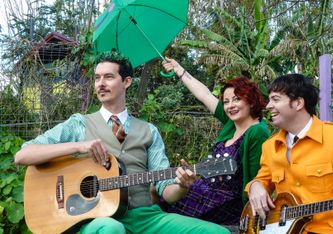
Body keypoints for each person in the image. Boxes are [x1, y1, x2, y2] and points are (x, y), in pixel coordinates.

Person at [14, 52, 230, 234]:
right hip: (94, 219)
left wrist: (182, 186)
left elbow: (165, 190)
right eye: (97, 78)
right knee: (111, 228)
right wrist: (79, 147)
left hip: (145, 217)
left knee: (217, 232)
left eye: (108, 77)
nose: (100, 83)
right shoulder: (79, 124)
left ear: (126, 81)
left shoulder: (149, 131)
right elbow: (23, 155)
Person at [161, 58, 270, 230]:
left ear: (251, 100)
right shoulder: (231, 123)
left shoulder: (257, 132)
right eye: (226, 102)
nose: (230, 106)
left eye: (236, 99)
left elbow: (259, 176)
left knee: (166, 207)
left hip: (226, 202)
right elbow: (204, 95)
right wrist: (179, 70)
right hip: (205, 190)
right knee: (161, 192)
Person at [245, 74, 333, 233]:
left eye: (276, 99)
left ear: (298, 103)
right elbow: (263, 179)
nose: (268, 106)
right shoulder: (270, 146)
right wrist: (255, 186)